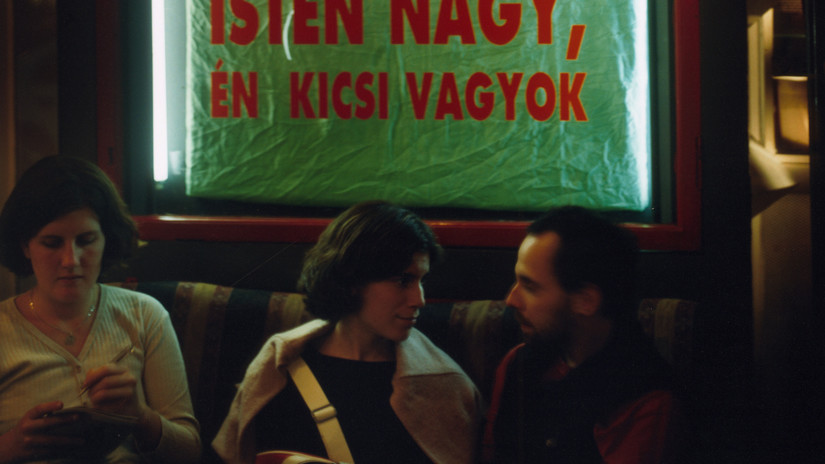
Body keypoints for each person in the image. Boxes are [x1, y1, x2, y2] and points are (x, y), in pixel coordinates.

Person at [213, 201, 482, 464]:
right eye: (403, 280)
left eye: (421, 280)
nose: (419, 299)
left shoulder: (442, 382)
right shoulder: (279, 362)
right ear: (353, 280)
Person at [0, 155, 201, 463]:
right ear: (25, 246)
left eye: (86, 240)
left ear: (107, 239)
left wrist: (140, 416)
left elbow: (190, 453)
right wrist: (10, 447)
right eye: (52, 243)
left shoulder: (145, 315)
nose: (71, 260)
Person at [483, 206, 686, 464]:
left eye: (530, 287)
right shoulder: (516, 364)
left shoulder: (645, 401)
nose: (511, 300)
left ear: (586, 301)